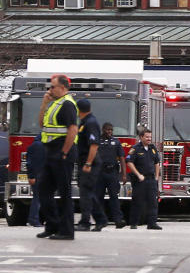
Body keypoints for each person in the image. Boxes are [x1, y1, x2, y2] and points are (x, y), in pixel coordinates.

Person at [36, 74, 79, 241]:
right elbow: (41, 125)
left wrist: (64, 152)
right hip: (51, 152)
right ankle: (52, 225)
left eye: (52, 87)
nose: (50, 89)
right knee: (43, 189)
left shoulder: (67, 104)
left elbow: (73, 129)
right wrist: (44, 104)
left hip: (62, 153)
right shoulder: (54, 103)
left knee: (64, 193)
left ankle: (67, 231)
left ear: (63, 87)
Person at [74, 99, 105, 232]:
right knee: (87, 192)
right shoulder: (85, 122)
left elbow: (94, 145)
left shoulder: (91, 123)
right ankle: (100, 219)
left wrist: (88, 163)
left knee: (86, 193)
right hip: (84, 162)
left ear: (78, 109)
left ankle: (85, 222)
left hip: (89, 163)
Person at [126, 128, 162, 230]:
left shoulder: (152, 148)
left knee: (153, 202)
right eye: (147, 137)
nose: (149, 139)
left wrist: (156, 177)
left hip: (151, 179)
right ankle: (134, 223)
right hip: (140, 180)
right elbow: (129, 162)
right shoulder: (136, 148)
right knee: (137, 201)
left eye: (150, 137)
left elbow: (157, 162)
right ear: (141, 137)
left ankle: (152, 223)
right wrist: (138, 174)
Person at [95, 122, 127, 229]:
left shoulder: (116, 142)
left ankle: (118, 220)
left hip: (112, 172)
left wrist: (124, 174)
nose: (110, 132)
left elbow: (122, 158)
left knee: (114, 197)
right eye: (108, 130)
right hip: (99, 173)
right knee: (98, 198)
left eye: (111, 130)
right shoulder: (97, 141)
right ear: (103, 130)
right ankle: (100, 221)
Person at [25, 139, 45, 227]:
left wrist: (31, 176)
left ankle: (33, 219)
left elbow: (29, 163)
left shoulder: (33, 146)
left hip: (36, 175)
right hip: (41, 175)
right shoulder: (42, 145)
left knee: (37, 198)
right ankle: (34, 219)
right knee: (38, 198)